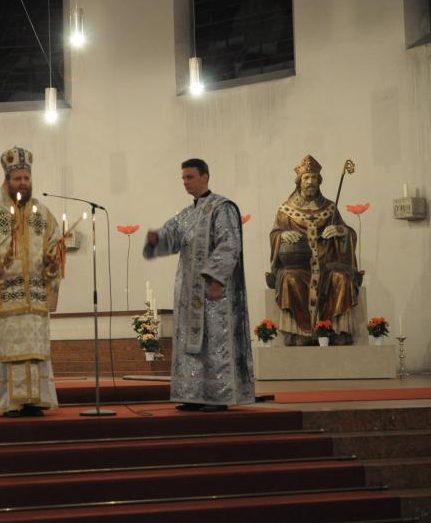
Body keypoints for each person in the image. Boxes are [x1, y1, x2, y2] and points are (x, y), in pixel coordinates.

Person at [143, 158, 254, 412]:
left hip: (215, 294)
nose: (185, 182)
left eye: (190, 177)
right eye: (183, 178)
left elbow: (229, 244)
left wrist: (216, 278)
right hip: (188, 295)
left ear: (205, 177)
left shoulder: (222, 208)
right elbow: (171, 237)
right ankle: (193, 395)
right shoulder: (185, 215)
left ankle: (218, 397)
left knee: (214, 344)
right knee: (191, 346)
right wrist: (156, 239)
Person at [0, 146, 62, 417]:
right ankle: (9, 402)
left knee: (35, 350)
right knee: (10, 350)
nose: (23, 182)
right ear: (7, 180)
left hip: (35, 297)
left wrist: (53, 263)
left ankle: (35, 400)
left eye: (26, 178)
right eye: (17, 178)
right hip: (7, 297)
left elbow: (55, 245)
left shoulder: (42, 213)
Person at [267, 155, 360, 345]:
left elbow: (348, 232)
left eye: (314, 178)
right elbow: (275, 233)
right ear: (299, 181)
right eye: (307, 178)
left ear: (319, 182)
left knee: (341, 278)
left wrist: (340, 231)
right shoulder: (286, 210)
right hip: (299, 264)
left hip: (327, 263)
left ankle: (337, 330)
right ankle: (298, 332)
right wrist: (282, 235)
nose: (310, 182)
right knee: (290, 278)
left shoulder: (330, 208)